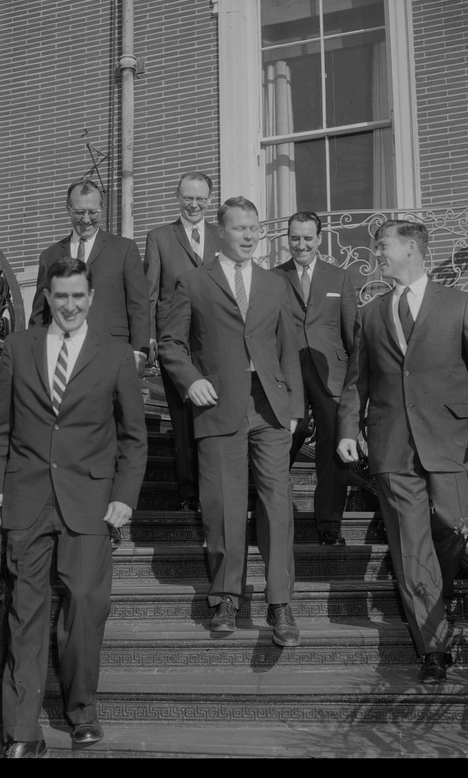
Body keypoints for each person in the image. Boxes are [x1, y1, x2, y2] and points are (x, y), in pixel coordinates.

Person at [0, 257, 148, 757]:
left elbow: (134, 439)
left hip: (91, 502)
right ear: (48, 298)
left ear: (91, 298)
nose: (70, 305)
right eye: (61, 296)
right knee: (24, 613)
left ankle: (82, 712)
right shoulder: (18, 348)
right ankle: (22, 731)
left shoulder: (116, 355)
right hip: (27, 498)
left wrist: (123, 497)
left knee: (84, 608)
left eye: (78, 296)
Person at [336, 219, 468, 683]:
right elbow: (357, 382)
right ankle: (433, 649)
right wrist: (348, 429)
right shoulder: (370, 313)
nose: (377, 254)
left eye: (383, 245)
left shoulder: (460, 304)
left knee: (452, 523)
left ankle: (437, 588)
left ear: (411, 248)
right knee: (410, 548)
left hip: (451, 439)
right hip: (392, 443)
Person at [159, 196, 304, 647]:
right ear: (221, 231)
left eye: (254, 228)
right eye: (240, 228)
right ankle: (226, 596)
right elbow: (170, 343)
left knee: (276, 504)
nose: (248, 236)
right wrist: (190, 380)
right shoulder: (192, 281)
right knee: (222, 505)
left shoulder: (275, 283)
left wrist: (295, 407)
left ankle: (280, 603)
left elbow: (288, 351)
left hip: (270, 409)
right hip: (218, 405)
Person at [273, 211, 358, 546]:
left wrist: (356, 385)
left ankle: (329, 525)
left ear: (319, 239)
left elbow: (354, 337)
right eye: (295, 238)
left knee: (333, 448)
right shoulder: (273, 278)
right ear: (287, 239)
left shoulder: (339, 278)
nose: (301, 244)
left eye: (308, 238)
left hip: (331, 375)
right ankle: (270, 513)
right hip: (287, 374)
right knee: (280, 444)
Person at [144, 171, 222, 511]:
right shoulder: (159, 237)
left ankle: (213, 486)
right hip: (173, 340)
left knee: (212, 413)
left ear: (209, 199)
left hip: (214, 340)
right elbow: (149, 293)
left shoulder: (222, 237)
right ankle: (189, 492)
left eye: (201, 198)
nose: (194, 204)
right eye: (188, 197)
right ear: (178, 198)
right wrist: (148, 337)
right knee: (182, 415)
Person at [28, 179, 150, 376]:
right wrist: (36, 355)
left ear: (101, 209)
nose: (86, 219)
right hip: (62, 360)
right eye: (79, 212)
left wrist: (139, 352)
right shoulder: (49, 256)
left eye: (93, 212)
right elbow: (39, 316)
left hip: (113, 355)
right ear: (68, 210)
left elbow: (139, 305)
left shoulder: (124, 249)